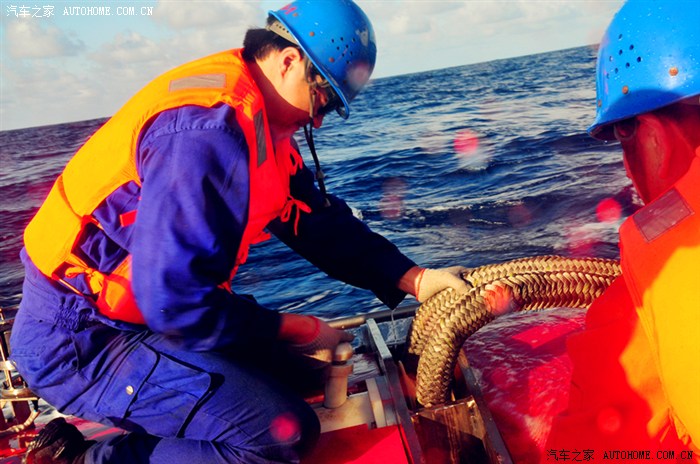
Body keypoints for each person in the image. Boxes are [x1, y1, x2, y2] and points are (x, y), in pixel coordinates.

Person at [11, 1, 471, 463]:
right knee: (280, 435)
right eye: (324, 100)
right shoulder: (205, 134)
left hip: (148, 317)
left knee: (304, 375)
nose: (318, 121)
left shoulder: (260, 122)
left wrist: (414, 279)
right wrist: (294, 327)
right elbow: (173, 300)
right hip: (82, 340)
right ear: (288, 61)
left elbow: (316, 223)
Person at [544, 0, 700, 460]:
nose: (627, 170)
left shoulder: (662, 264)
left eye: (623, 136)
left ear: (653, 133)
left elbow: (594, 445)